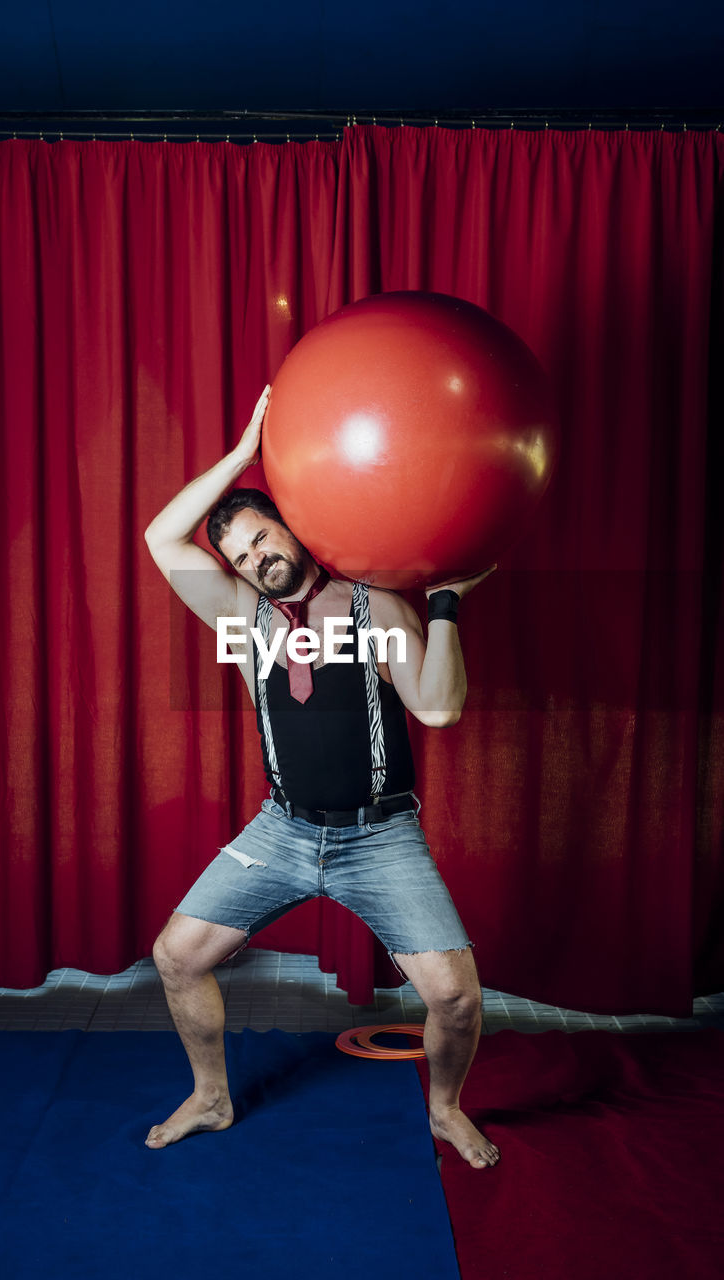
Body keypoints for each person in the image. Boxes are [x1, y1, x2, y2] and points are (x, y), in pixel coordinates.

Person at [142, 385, 499, 1169]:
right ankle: (210, 1096)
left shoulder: (372, 605)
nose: (253, 561)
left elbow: (436, 712)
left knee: (453, 997)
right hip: (282, 829)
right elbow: (161, 537)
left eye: (260, 540)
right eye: (237, 557)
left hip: (380, 837)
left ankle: (443, 1110)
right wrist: (240, 456)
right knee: (177, 955)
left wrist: (441, 607)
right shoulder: (243, 615)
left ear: (291, 523)